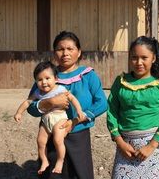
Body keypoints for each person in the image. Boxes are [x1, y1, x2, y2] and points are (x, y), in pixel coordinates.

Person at [27, 31, 108, 179]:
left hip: (79, 135)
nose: (65, 53)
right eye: (60, 49)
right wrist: (50, 102)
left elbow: (102, 103)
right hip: (51, 134)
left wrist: (76, 121)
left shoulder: (88, 75)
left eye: (70, 49)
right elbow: (31, 107)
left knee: (80, 174)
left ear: (79, 52)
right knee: (53, 174)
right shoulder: (46, 76)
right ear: (54, 53)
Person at [107, 36, 159, 179]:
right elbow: (112, 111)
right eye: (134, 57)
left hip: (153, 147)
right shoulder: (121, 82)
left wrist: (151, 146)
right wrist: (120, 142)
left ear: (153, 58)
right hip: (126, 148)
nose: (139, 62)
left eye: (144, 58)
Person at [14, 61, 85, 174]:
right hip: (46, 120)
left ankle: (60, 161)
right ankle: (44, 160)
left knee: (58, 139)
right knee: (40, 141)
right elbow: (28, 102)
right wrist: (19, 112)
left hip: (59, 118)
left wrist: (79, 110)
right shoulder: (38, 92)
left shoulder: (60, 89)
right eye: (40, 79)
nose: (44, 82)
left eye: (47, 78)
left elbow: (72, 99)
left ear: (56, 78)